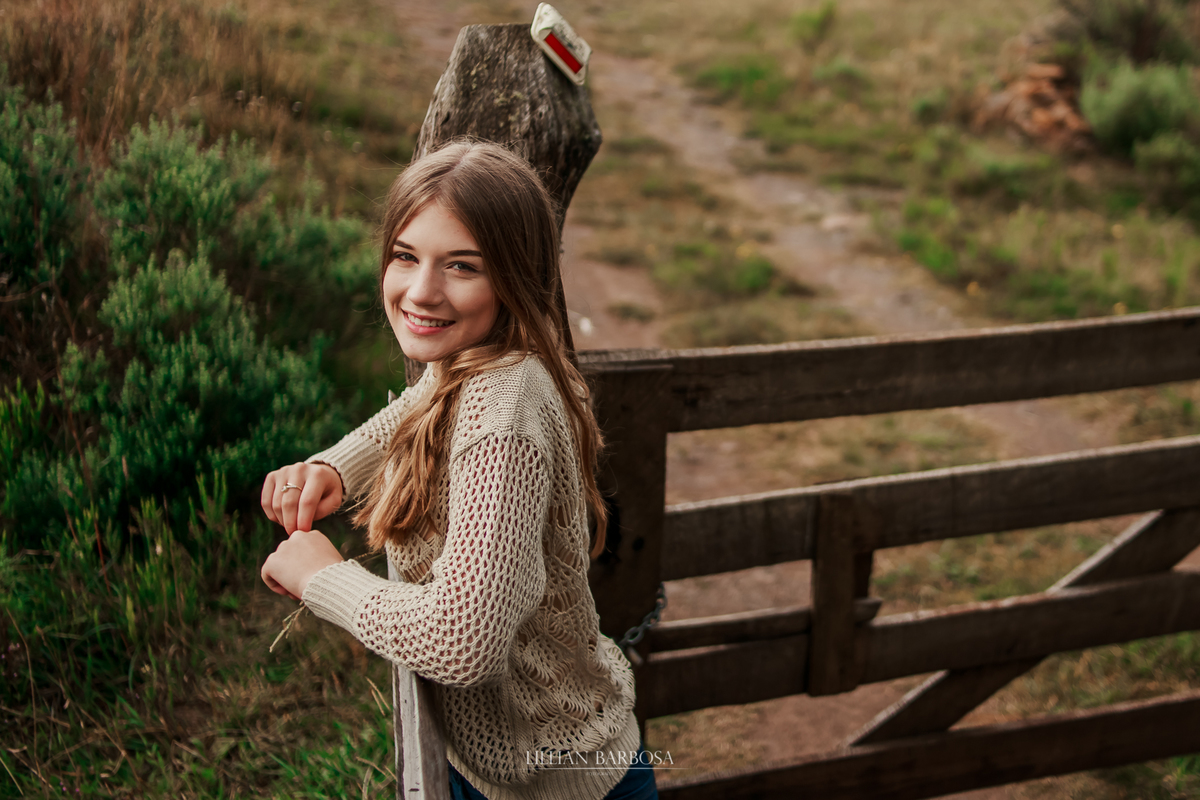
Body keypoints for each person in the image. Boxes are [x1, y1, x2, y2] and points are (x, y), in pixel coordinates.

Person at [258, 141, 657, 800]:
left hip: (556, 781)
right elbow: (425, 400)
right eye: (405, 256)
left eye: (462, 266)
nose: (421, 291)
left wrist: (322, 579)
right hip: (493, 763)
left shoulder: (505, 415)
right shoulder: (488, 356)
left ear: (514, 276)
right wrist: (337, 466)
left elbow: (462, 641)